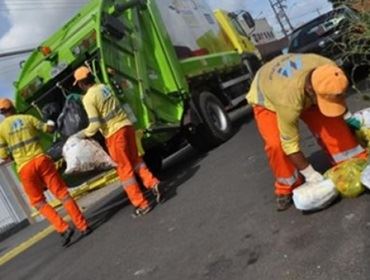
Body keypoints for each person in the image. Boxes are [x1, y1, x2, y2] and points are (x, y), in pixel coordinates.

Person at [246, 53, 367, 211]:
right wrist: (310, 174)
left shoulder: (330, 69)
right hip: (268, 97)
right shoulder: (287, 99)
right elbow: (289, 144)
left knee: (334, 125)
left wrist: (349, 118)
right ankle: (286, 188)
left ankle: (354, 161)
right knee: (276, 145)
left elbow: (336, 96)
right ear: (310, 90)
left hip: (299, 86)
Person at [0, 98, 91, 246]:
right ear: (13, 107)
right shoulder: (28, 118)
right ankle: (83, 226)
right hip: (42, 160)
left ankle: (63, 228)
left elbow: (3, 155)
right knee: (62, 194)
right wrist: (50, 121)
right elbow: (48, 129)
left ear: (2, 113)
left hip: (25, 168)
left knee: (38, 202)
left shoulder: (2, 129)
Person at [73, 66, 162, 217]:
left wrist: (80, 135)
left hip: (114, 134)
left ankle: (142, 204)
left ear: (81, 83)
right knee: (136, 161)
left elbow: (95, 125)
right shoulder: (104, 87)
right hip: (127, 126)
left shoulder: (88, 98)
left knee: (124, 170)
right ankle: (153, 183)